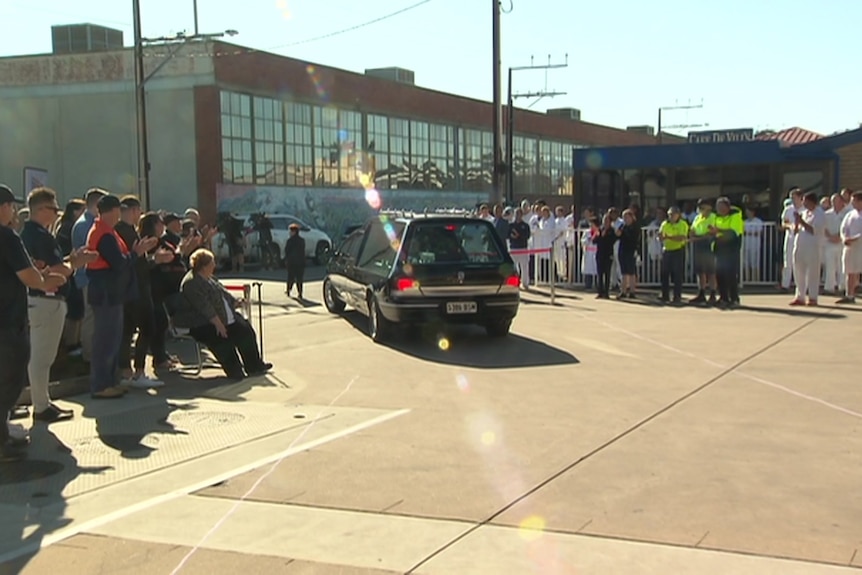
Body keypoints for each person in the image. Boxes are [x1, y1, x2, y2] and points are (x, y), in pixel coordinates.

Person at [0, 184, 67, 462]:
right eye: (10, 206)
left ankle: (3, 435)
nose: (13, 211)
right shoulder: (7, 237)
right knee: (10, 380)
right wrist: (46, 280)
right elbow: (29, 276)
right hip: (8, 320)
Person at [21, 187, 97, 423]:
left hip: (39, 300)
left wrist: (70, 262)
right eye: (53, 209)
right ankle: (42, 406)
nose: (56, 214)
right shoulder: (40, 236)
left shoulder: (29, 234)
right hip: (45, 301)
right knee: (42, 358)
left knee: (39, 357)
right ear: (42, 209)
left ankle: (42, 403)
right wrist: (74, 263)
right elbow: (56, 271)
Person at [86, 195, 156, 399]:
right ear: (113, 210)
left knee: (112, 339)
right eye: (118, 210)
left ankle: (109, 381)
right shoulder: (104, 234)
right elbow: (118, 263)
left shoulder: (107, 231)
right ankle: (101, 385)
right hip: (106, 293)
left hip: (111, 293)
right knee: (106, 341)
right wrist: (136, 253)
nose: (120, 214)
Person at [176, 249, 271, 380]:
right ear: (204, 266)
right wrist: (218, 324)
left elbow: (223, 293)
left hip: (224, 317)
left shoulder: (210, 278)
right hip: (201, 323)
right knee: (221, 339)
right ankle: (234, 370)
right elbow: (204, 306)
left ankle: (254, 366)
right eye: (212, 262)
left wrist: (235, 302)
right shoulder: (192, 282)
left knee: (245, 330)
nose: (214, 265)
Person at [115, 197, 172, 388]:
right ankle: (138, 371)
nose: (139, 215)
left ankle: (125, 370)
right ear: (133, 210)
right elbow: (135, 264)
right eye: (138, 211)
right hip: (137, 288)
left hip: (128, 289)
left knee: (127, 331)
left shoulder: (122, 231)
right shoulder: (126, 233)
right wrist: (155, 260)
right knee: (147, 328)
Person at [71, 188, 109, 363]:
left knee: (96, 317)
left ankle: (95, 353)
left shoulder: (89, 222)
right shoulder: (84, 225)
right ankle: (89, 355)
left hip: (93, 276)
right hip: (88, 276)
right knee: (90, 317)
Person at [789, 191, 825, 306]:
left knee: (813, 272)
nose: (803, 203)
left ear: (811, 201)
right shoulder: (803, 213)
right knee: (799, 271)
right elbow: (797, 229)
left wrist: (801, 222)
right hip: (800, 245)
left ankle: (813, 297)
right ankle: (800, 296)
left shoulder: (820, 214)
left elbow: (814, 230)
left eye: (805, 201)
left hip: (813, 246)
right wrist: (796, 223)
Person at [710, 197, 744, 308]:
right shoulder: (716, 217)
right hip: (719, 248)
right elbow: (713, 232)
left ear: (727, 207)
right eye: (717, 207)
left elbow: (733, 233)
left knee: (730, 274)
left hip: (731, 248)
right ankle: (723, 297)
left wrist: (718, 231)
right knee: (719, 274)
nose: (719, 209)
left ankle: (734, 298)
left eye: (721, 207)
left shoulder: (735, 216)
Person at [689, 199, 717, 305]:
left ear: (709, 207)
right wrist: (695, 237)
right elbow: (692, 231)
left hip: (709, 246)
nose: (700, 209)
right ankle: (701, 293)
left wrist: (697, 238)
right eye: (700, 207)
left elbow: (711, 234)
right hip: (698, 246)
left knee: (711, 272)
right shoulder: (697, 218)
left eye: (703, 207)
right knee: (700, 271)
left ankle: (713, 293)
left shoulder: (713, 217)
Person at [836, 191, 862, 305]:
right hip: (849, 247)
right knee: (849, 271)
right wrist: (844, 238)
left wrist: (855, 239)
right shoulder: (850, 214)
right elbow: (843, 228)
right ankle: (849, 295)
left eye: (854, 201)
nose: (852, 203)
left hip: (859, 246)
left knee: (857, 271)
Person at [659, 206, 689, 303]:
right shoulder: (664, 224)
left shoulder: (683, 224)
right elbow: (661, 235)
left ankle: (677, 296)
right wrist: (661, 237)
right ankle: (665, 295)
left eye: (673, 214)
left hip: (678, 250)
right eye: (669, 214)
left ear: (678, 215)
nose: (671, 216)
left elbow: (681, 237)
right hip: (667, 250)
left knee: (677, 274)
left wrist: (669, 237)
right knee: (664, 273)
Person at [823, 193, 847, 295]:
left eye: (836, 201)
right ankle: (829, 287)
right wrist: (830, 237)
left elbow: (847, 228)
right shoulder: (827, 214)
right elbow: (823, 227)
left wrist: (839, 236)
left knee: (842, 266)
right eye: (833, 201)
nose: (834, 203)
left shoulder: (847, 213)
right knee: (830, 266)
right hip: (829, 242)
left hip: (842, 242)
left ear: (842, 202)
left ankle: (843, 287)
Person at [780, 188, 804, 292]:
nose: (792, 200)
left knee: (801, 262)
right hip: (790, 237)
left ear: (800, 198)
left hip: (802, 238)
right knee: (787, 261)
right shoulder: (788, 209)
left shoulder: (805, 209)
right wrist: (790, 226)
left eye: (794, 197)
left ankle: (802, 285)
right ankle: (785, 284)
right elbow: (784, 223)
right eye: (791, 198)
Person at [614, 209, 640, 299]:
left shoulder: (634, 227)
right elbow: (618, 235)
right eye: (624, 217)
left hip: (631, 250)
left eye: (627, 217)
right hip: (622, 250)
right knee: (624, 272)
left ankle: (632, 291)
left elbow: (633, 238)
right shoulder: (623, 226)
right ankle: (623, 291)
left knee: (631, 272)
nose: (625, 219)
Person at [593, 215, 617, 299]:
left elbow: (612, 241)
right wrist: (599, 235)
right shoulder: (600, 229)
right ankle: (600, 291)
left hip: (608, 254)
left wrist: (605, 236)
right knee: (600, 274)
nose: (605, 222)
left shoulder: (612, 230)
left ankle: (606, 292)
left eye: (607, 220)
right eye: (604, 220)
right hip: (600, 254)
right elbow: (594, 241)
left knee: (607, 273)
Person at [508, 208, 531, 289]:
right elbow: (508, 235)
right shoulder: (511, 225)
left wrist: (519, 236)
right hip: (513, 248)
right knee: (513, 267)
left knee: (524, 266)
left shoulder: (525, 225)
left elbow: (527, 236)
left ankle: (525, 283)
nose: (518, 215)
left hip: (523, 247)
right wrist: (513, 237)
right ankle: (513, 283)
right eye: (516, 214)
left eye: (520, 214)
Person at [284, 222, 306, 299]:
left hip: (292, 262)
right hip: (300, 262)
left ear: (294, 232)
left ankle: (288, 290)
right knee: (299, 278)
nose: (289, 233)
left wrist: (286, 260)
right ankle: (300, 293)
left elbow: (287, 251)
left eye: (290, 231)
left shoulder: (290, 241)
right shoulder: (302, 241)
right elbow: (303, 252)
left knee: (290, 277)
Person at [742, 206, 764, 283]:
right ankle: (747, 279)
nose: (747, 213)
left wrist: (748, 233)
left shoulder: (758, 221)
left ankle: (755, 279)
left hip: (755, 245)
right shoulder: (744, 222)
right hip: (746, 245)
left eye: (748, 212)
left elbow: (759, 232)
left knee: (755, 262)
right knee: (746, 262)